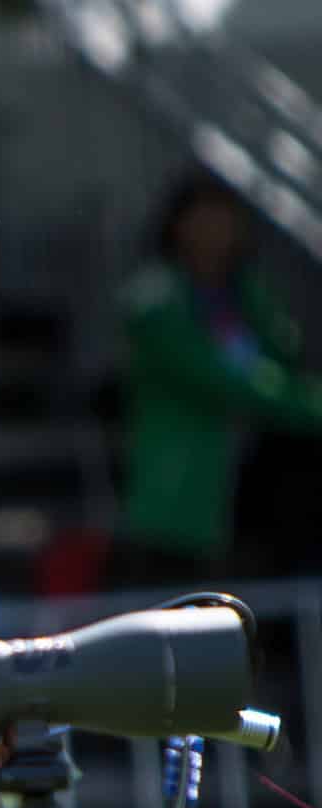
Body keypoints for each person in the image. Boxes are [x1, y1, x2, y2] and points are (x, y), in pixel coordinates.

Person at [118, 172, 322, 585]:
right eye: (204, 218)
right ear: (177, 223)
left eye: (226, 219)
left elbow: (286, 353)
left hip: (250, 492)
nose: (216, 231)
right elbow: (224, 380)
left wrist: (247, 292)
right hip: (179, 499)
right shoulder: (155, 299)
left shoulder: (244, 293)